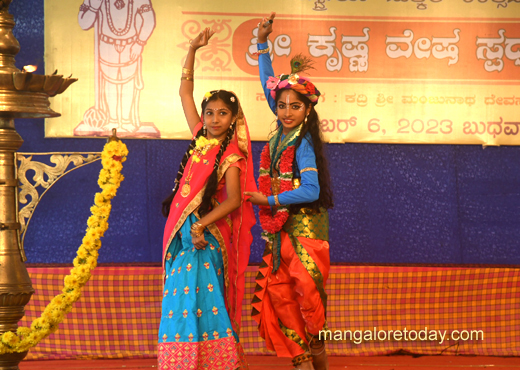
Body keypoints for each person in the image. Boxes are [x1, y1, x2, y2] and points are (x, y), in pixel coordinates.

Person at [158, 28, 256, 370]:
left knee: (201, 299)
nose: (214, 119)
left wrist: (200, 224)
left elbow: (234, 201)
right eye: (210, 113)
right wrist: (191, 50)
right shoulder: (200, 139)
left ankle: (212, 362)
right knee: (179, 297)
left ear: (234, 119)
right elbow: (185, 92)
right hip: (184, 234)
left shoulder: (232, 155)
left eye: (222, 114)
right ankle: (183, 362)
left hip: (207, 237)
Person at [244, 13, 333, 370]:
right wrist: (262, 42)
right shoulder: (281, 130)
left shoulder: (304, 140)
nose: (285, 112)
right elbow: (270, 83)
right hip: (279, 232)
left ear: (307, 108)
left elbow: (311, 190)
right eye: (281, 105)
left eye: (294, 106)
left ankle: (318, 359)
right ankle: (299, 361)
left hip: (306, 233)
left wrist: (268, 200)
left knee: (309, 301)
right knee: (280, 296)